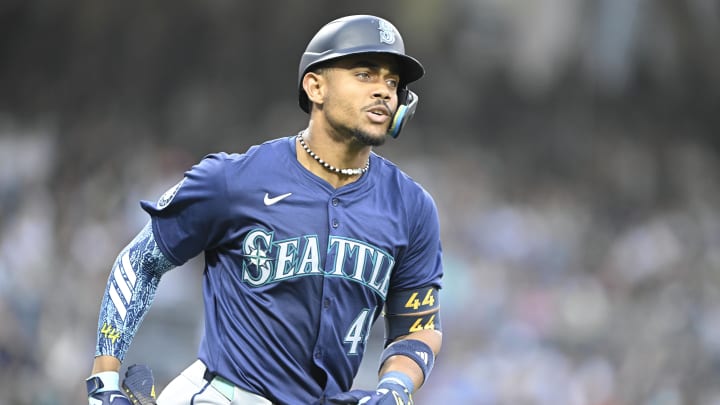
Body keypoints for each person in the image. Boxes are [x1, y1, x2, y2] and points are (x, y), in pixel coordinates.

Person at [86, 14, 443, 405]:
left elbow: (417, 329)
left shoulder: (412, 207)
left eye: (392, 82)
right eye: (364, 74)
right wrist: (104, 378)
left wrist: (396, 387)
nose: (384, 92)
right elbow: (140, 263)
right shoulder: (235, 180)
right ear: (315, 86)